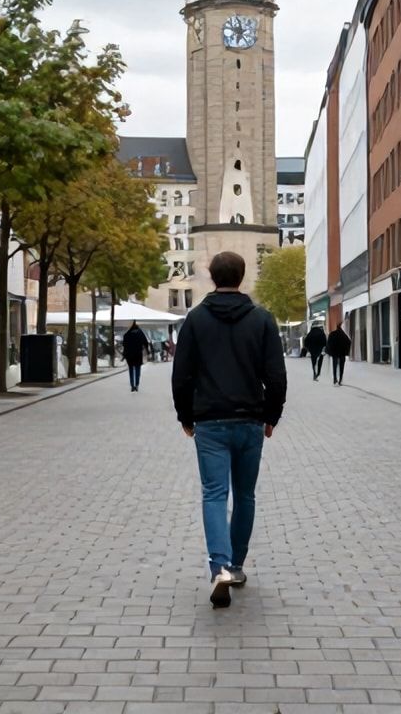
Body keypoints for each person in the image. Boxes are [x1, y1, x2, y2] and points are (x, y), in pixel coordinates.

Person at [172, 252, 287, 609]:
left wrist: (185, 415)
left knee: (214, 494)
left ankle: (219, 566)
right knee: (245, 495)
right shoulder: (262, 319)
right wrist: (272, 415)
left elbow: (181, 373)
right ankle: (235, 566)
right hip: (250, 420)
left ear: (211, 276)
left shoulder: (195, 319)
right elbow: (276, 375)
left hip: (210, 421)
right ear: (242, 275)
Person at [122, 321, 149, 392]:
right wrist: (147, 351)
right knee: (137, 369)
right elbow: (145, 342)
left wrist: (124, 354)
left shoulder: (127, 334)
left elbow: (124, 344)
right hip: (138, 354)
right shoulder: (140, 333)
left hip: (129, 355)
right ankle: (137, 385)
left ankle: (132, 385)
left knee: (131, 370)